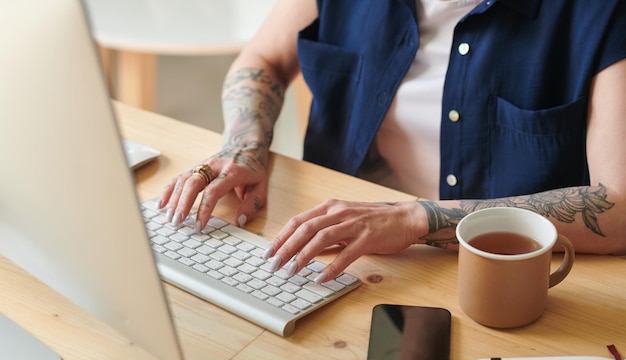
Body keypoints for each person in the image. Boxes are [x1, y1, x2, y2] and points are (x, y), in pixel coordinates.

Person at [158, 0, 626, 284]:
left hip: (508, 277)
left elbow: (619, 205)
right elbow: (263, 58)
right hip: (336, 243)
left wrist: (416, 218)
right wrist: (245, 144)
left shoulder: (603, 12)